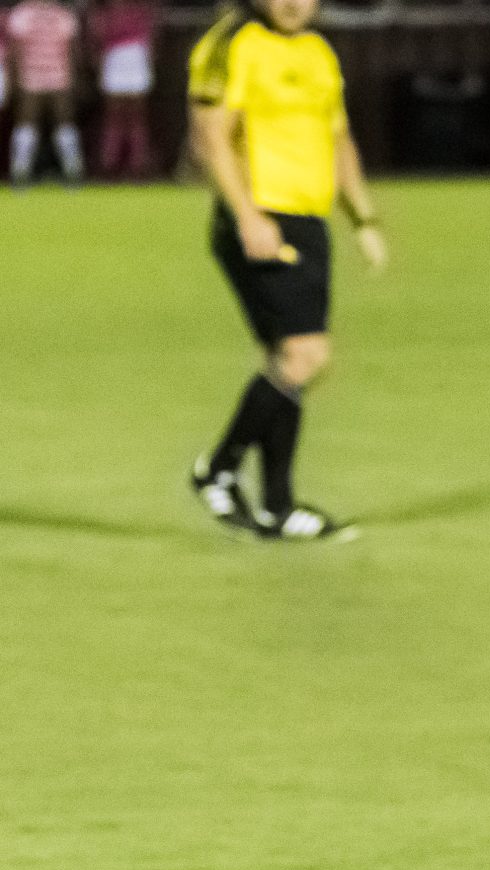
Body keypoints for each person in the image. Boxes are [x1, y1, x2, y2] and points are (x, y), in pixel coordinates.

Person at [185, 0, 386, 541]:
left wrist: (363, 218)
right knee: (306, 354)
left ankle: (278, 504)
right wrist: (248, 215)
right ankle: (218, 468)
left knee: (287, 360)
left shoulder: (318, 52)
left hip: (307, 223)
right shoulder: (232, 45)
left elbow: (338, 139)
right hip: (260, 220)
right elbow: (212, 137)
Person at [6, 0, 83, 187]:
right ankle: (71, 170)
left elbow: (15, 52)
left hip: (35, 78)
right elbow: (72, 51)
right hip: (53, 77)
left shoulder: (21, 14)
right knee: (60, 123)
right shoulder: (62, 15)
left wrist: (15, 79)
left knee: (29, 123)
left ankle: (21, 171)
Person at [91, 0, 157, 179]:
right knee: (118, 119)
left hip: (131, 55)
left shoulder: (139, 9)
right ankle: (112, 164)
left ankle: (134, 165)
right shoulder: (108, 12)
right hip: (119, 56)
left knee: (132, 119)